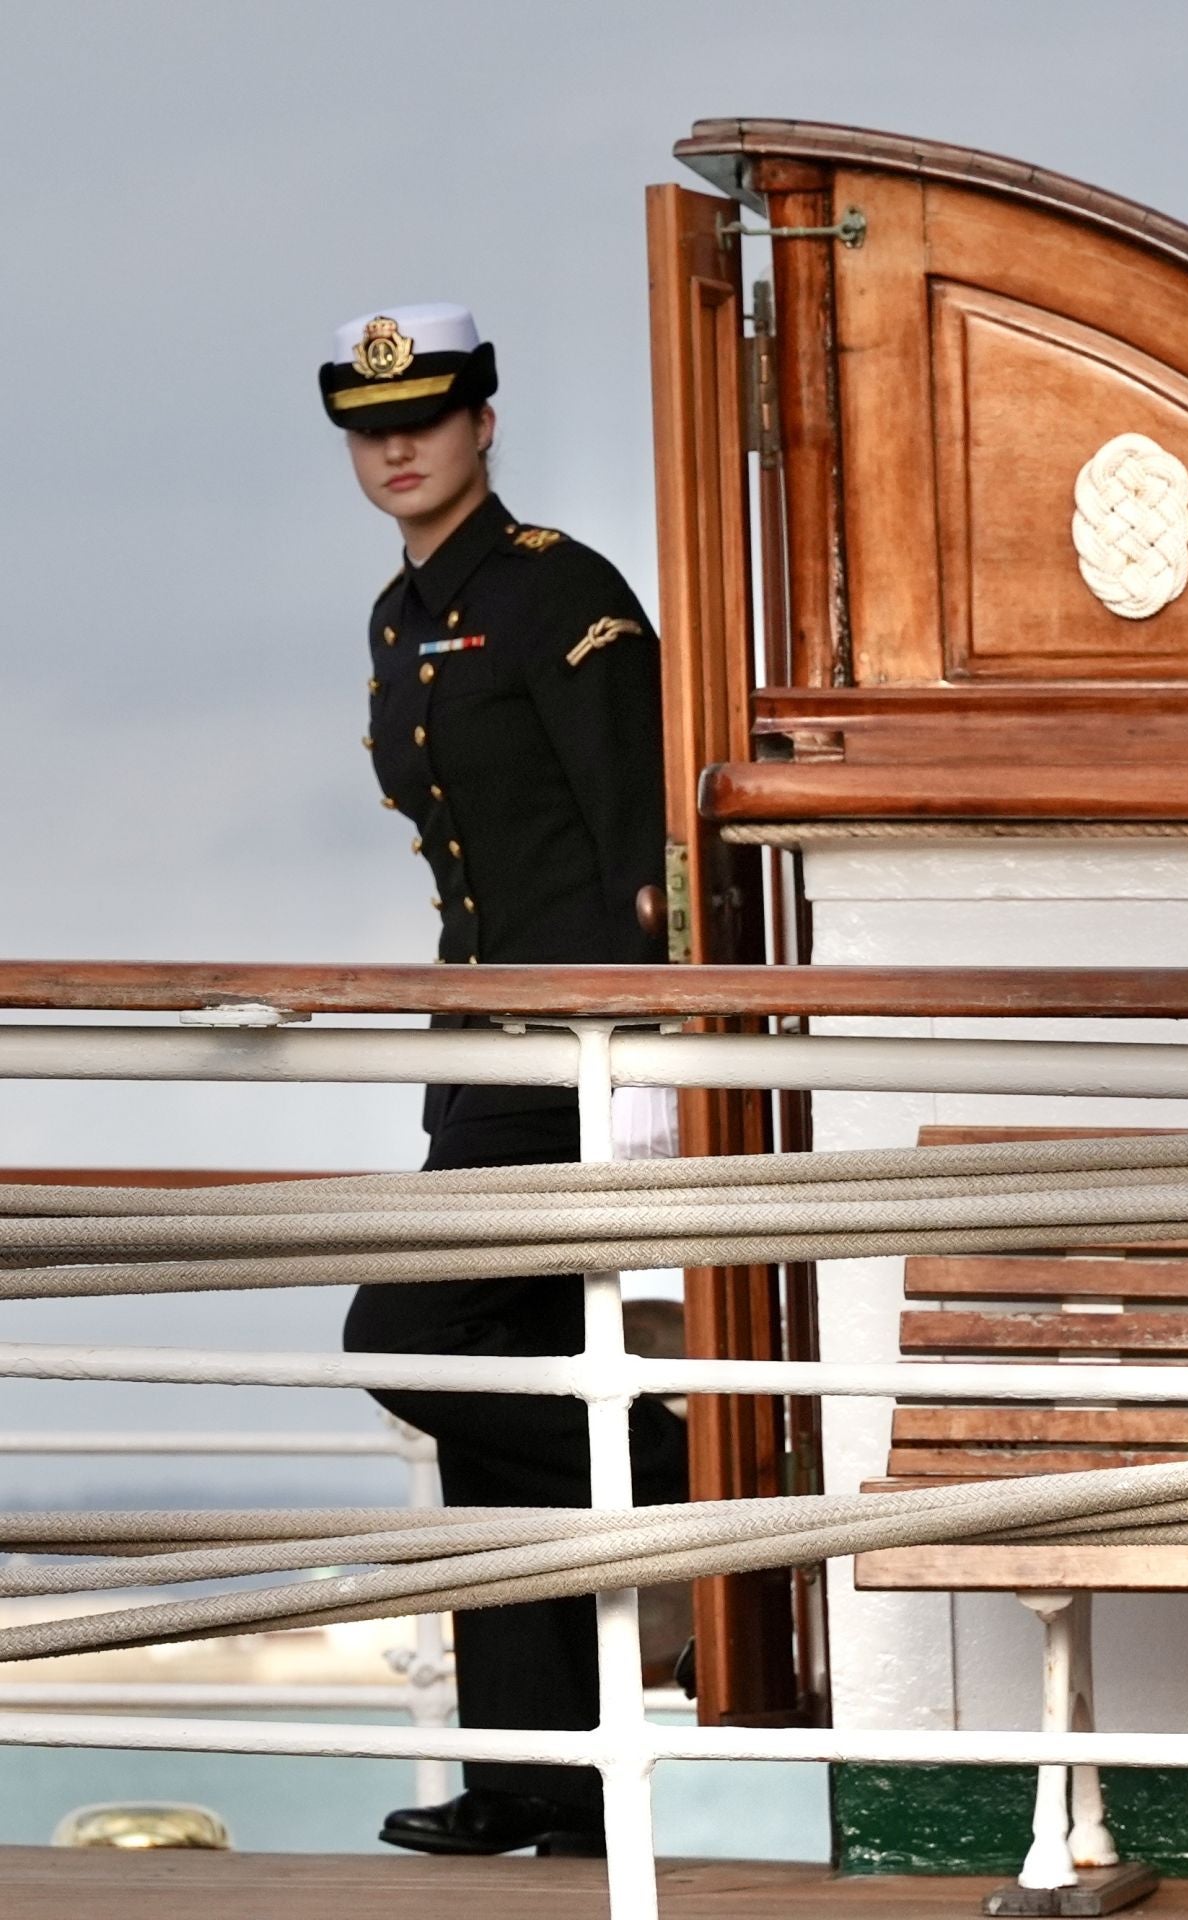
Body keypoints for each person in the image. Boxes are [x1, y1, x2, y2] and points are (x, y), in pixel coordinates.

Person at [319, 303, 688, 1857]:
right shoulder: (402, 618)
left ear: (485, 422)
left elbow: (641, 834)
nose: (396, 444)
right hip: (474, 1056)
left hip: (571, 1047)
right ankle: (545, 1785)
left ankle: (701, 1486)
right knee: (488, 1404)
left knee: (406, 1335)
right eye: (367, 423)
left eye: (428, 414)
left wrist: (651, 1045)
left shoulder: (562, 594)